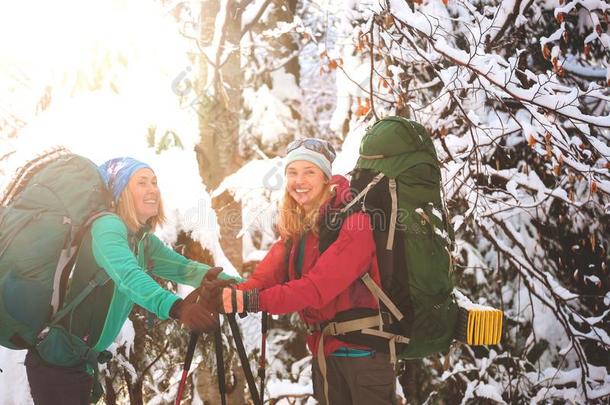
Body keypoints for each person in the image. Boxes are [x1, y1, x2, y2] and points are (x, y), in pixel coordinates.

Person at [24, 157, 237, 405]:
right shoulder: (107, 227)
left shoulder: (141, 239)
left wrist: (245, 286)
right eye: (142, 183)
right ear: (122, 192)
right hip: (57, 364)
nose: (152, 189)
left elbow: (186, 268)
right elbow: (128, 276)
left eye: (154, 182)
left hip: (77, 361)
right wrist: (178, 307)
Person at [212, 139, 396, 404]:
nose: (299, 181)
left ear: (325, 177)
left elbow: (316, 288)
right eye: (292, 172)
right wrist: (235, 294)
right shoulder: (299, 228)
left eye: (309, 172)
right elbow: (265, 276)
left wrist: (255, 301)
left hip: (364, 356)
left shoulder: (355, 222)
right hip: (325, 354)